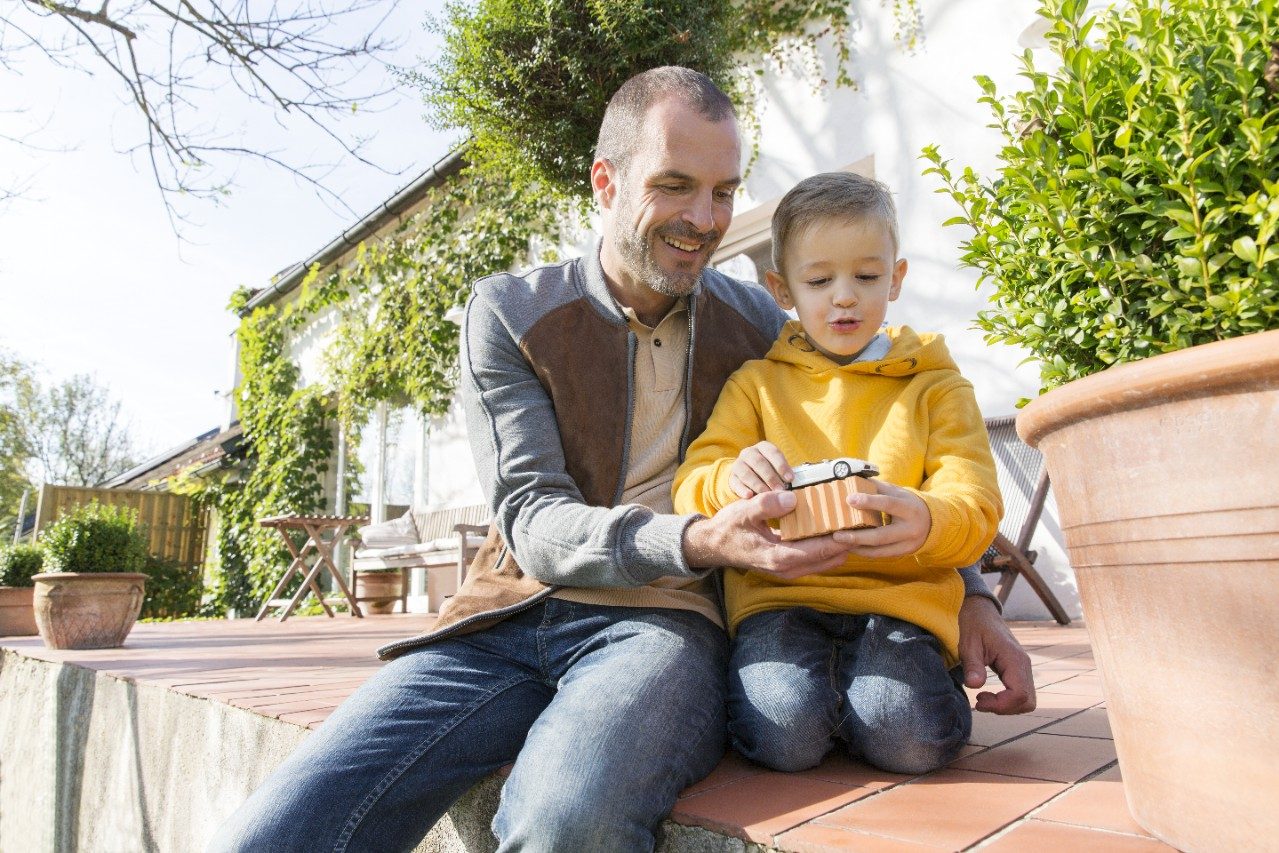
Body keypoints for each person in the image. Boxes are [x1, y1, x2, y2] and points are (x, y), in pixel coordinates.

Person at [211, 67, 1034, 853]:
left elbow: (867, 434)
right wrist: (696, 537)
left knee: (565, 820)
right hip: (505, 615)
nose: (704, 218)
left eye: (723, 192)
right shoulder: (513, 313)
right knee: (277, 830)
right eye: (673, 185)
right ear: (604, 183)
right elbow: (531, 516)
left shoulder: (758, 322)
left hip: (663, 621)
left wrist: (970, 597)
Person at [673, 171, 1005, 775]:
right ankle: (835, 714)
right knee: (783, 734)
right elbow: (692, 483)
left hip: (903, 606)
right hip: (779, 600)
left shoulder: (938, 387)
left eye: (867, 277)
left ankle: (876, 707)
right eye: (820, 280)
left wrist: (930, 519)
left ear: (896, 279)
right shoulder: (755, 385)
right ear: (782, 289)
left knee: (906, 735)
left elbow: (975, 499)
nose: (845, 297)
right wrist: (730, 479)